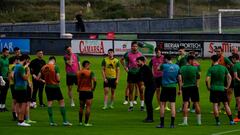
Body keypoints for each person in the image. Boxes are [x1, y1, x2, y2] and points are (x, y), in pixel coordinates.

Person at [38, 56, 72, 126]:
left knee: (49, 103)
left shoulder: (43, 67)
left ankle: (51, 122)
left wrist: (44, 80)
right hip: (55, 87)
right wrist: (57, 81)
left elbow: (38, 78)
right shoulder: (55, 67)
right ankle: (65, 121)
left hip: (47, 87)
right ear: (54, 61)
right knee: (61, 102)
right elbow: (58, 78)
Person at [205, 55, 235, 126]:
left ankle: (218, 122)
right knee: (226, 104)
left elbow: (206, 79)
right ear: (218, 60)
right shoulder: (223, 68)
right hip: (222, 88)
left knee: (215, 105)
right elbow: (229, 77)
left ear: (212, 60)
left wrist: (208, 87)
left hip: (214, 89)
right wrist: (227, 86)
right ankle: (231, 120)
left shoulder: (211, 69)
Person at [156, 54, 181, 128]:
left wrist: (161, 63)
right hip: (173, 87)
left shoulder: (164, 66)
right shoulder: (177, 66)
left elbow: (157, 69)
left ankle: (162, 124)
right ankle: (172, 124)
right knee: (173, 105)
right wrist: (180, 89)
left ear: (166, 59)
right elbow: (179, 78)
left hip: (165, 87)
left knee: (162, 105)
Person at [120, 41, 145, 112]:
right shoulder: (127, 53)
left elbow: (144, 61)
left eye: (136, 46)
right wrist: (125, 67)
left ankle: (142, 106)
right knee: (131, 90)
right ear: (131, 47)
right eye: (133, 46)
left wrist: (142, 69)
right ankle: (131, 106)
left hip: (139, 74)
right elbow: (121, 60)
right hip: (131, 74)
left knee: (141, 90)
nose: (135, 47)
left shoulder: (140, 54)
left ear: (137, 47)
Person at [178, 55, 201, 126]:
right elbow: (198, 76)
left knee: (185, 103)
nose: (194, 62)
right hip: (193, 87)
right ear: (190, 60)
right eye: (193, 60)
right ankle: (199, 121)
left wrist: (180, 88)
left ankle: (185, 121)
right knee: (196, 103)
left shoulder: (182, 68)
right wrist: (197, 84)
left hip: (185, 87)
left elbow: (180, 78)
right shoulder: (195, 68)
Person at [77, 60, 96, 126]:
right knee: (88, 107)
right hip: (88, 91)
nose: (89, 66)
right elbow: (95, 80)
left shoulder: (79, 72)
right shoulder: (90, 72)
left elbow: (78, 82)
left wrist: (78, 88)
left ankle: (80, 122)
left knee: (81, 107)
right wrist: (93, 88)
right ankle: (86, 123)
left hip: (81, 91)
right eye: (89, 64)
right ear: (87, 64)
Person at [13, 54, 31, 126]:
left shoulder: (16, 66)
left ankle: (19, 120)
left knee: (18, 104)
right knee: (24, 104)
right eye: (28, 60)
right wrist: (28, 71)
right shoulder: (21, 67)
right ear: (25, 59)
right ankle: (21, 121)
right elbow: (25, 78)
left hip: (17, 87)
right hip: (22, 88)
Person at [215, 47, 233, 113]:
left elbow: (232, 65)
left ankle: (227, 107)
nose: (217, 53)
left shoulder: (225, 59)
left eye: (219, 51)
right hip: (216, 79)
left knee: (226, 93)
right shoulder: (215, 59)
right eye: (216, 51)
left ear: (222, 52)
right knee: (217, 93)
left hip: (224, 79)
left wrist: (228, 71)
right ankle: (218, 108)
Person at [137, 56, 155, 123]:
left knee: (148, 101)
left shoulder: (147, 68)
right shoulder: (141, 68)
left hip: (151, 86)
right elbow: (139, 77)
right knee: (147, 101)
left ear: (142, 61)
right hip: (148, 86)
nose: (137, 63)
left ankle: (151, 118)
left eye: (138, 62)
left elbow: (150, 78)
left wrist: (143, 85)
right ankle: (149, 117)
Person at [24, 55, 36, 124]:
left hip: (23, 86)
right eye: (28, 60)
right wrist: (30, 84)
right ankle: (27, 119)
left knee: (23, 103)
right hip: (27, 86)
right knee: (27, 104)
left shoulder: (21, 67)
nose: (29, 61)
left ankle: (23, 118)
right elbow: (28, 77)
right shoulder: (26, 68)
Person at [231, 54, 240, 122]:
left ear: (234, 59)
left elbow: (236, 77)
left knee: (238, 101)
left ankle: (239, 117)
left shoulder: (235, 66)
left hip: (238, 85)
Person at [0, 48, 9, 112]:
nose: (7, 54)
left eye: (8, 53)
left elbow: (8, 68)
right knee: (1, 92)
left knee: (5, 92)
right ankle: (0, 106)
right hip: (1, 78)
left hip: (6, 78)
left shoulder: (7, 59)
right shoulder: (0, 59)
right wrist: (1, 78)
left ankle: (3, 106)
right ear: (3, 52)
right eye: (6, 52)